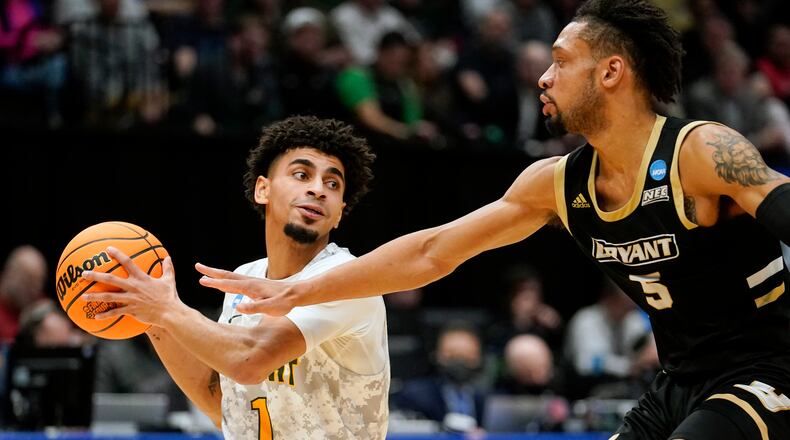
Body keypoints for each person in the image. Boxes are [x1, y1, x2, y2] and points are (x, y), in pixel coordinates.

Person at [197, 0, 790, 438]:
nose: (543, 77)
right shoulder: (556, 184)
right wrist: (298, 288)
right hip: (677, 382)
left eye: (560, 63)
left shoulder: (699, 152)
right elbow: (433, 252)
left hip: (766, 370)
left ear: (610, 73)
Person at [81, 116, 390, 438]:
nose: (317, 189)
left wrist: (167, 310)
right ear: (262, 189)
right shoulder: (248, 277)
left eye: (333, 184)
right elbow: (221, 404)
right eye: (302, 175)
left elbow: (249, 360)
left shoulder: (346, 280)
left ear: (340, 212)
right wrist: (152, 321)